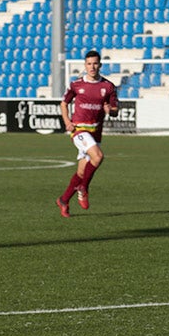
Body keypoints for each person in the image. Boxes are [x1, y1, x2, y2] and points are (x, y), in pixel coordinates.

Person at [56, 50, 119, 216]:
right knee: (98, 157)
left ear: (100, 65)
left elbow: (115, 110)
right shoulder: (76, 85)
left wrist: (110, 110)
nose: (92, 67)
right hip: (79, 130)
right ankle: (83, 188)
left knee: (81, 172)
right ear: (85, 65)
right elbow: (64, 103)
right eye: (89, 64)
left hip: (95, 132)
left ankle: (64, 199)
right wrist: (67, 121)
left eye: (95, 63)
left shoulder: (108, 86)